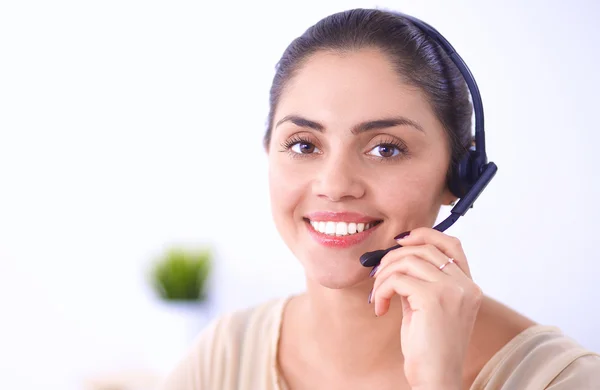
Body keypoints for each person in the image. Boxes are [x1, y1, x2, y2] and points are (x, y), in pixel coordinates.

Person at [161, 8, 600, 389]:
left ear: (458, 175)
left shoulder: (562, 380)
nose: (334, 185)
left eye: (385, 148)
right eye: (303, 144)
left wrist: (437, 382)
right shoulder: (223, 357)